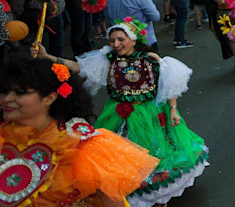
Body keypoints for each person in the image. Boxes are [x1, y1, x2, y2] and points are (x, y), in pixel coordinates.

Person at [32, 17, 209, 207]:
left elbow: (167, 86)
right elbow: (79, 67)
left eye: (120, 39)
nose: (116, 44)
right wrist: (48, 57)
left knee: (153, 154)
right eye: (112, 40)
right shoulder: (109, 60)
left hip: (148, 114)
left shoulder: (150, 59)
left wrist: (173, 110)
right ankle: (126, 194)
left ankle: (158, 196)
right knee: (116, 156)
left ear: (133, 40)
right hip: (117, 114)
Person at [0, 57, 159, 206]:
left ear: (49, 98)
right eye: (5, 91)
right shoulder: (4, 136)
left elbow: (111, 201)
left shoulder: (81, 144)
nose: (7, 99)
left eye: (20, 93)